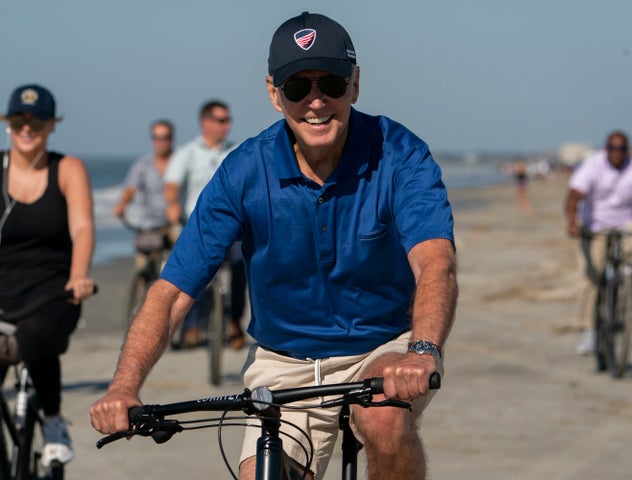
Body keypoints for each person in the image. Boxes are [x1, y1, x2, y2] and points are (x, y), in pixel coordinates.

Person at [90, 11, 457, 480]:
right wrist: (124, 386)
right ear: (273, 93)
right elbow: (174, 290)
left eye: (331, 83)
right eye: (297, 88)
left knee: (384, 417)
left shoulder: (400, 153)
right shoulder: (244, 171)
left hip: (382, 347)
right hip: (283, 361)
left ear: (356, 84)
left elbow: (435, 262)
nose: (316, 102)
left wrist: (422, 350)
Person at [0, 84, 95, 467]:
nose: (27, 128)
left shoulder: (67, 168)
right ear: (8, 124)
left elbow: (83, 227)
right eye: (20, 120)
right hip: (3, 291)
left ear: (51, 125)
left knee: (36, 335)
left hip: (53, 292)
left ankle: (54, 421)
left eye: (36, 121)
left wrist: (78, 276)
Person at [565, 130, 632, 355]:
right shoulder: (593, 165)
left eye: (621, 149)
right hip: (595, 223)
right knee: (592, 273)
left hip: (627, 222)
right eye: (612, 148)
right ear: (606, 149)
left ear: (627, 150)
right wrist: (572, 223)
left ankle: (629, 294)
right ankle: (589, 331)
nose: (617, 153)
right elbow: (574, 195)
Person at [163, 100, 247, 349]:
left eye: (228, 120)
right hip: (198, 225)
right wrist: (173, 205)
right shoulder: (187, 153)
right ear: (205, 123)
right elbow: (172, 186)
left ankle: (234, 321)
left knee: (242, 265)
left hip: (233, 227)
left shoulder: (238, 151)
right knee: (195, 274)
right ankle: (193, 325)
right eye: (221, 120)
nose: (226, 126)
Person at [113, 120, 174, 269]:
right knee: (143, 266)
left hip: (175, 224)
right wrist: (122, 205)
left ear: (171, 139)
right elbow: (131, 188)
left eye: (165, 137)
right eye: (156, 138)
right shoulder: (142, 164)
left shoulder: (179, 162)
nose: (161, 142)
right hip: (150, 224)